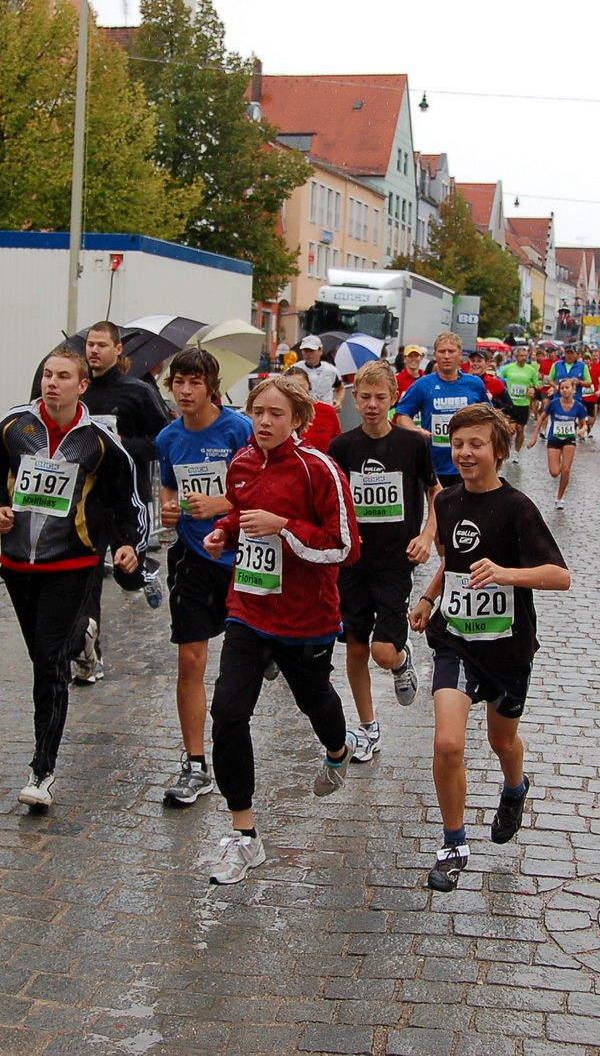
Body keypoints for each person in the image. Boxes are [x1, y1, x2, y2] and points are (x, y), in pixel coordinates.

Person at [200, 375, 360, 884]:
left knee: (315, 700)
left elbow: (344, 548)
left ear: (297, 420)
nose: (264, 422)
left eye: (275, 414)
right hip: (248, 607)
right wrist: (223, 532)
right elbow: (241, 513)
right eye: (257, 412)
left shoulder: (320, 470)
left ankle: (339, 749)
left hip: (306, 617)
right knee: (227, 711)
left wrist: (285, 527)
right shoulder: (243, 462)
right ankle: (244, 835)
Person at [0, 347, 147, 812]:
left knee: (49, 665)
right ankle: (80, 640)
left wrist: (129, 543)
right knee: (42, 658)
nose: (52, 383)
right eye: (47, 375)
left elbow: (127, 498)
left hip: (72, 563)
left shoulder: (97, 440)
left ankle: (42, 769)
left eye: (63, 376)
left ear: (81, 385)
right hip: (17, 564)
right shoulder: (15, 427)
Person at [408, 403, 568, 892]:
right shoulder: (447, 502)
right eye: (458, 444)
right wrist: (430, 597)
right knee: (448, 742)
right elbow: (454, 563)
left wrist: (505, 573)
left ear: (498, 451)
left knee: (502, 741)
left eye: (475, 444)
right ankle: (453, 843)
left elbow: (559, 576)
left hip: (508, 649)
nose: (464, 453)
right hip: (455, 640)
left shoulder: (519, 508)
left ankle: (515, 788)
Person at [154, 349, 254, 806]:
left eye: (195, 382)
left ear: (211, 387)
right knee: (191, 661)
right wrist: (169, 507)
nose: (186, 391)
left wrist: (223, 506)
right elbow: (170, 484)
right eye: (179, 382)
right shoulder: (168, 437)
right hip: (192, 558)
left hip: (242, 558)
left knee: (246, 663)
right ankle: (195, 764)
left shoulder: (239, 429)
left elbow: (262, 490)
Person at [327, 360, 438, 763]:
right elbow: (333, 500)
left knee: (382, 652)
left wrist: (427, 535)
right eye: (365, 397)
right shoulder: (342, 446)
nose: (372, 405)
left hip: (395, 562)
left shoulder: (413, 444)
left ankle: (402, 660)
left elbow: (435, 493)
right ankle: (368, 727)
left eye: (381, 397)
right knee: (355, 649)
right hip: (352, 563)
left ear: (394, 399)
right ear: (355, 399)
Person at [73, 321, 170, 679]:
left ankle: (146, 573)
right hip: (86, 501)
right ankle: (88, 656)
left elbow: (162, 441)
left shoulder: (137, 391)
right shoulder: (77, 391)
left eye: (101, 345)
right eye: (90, 345)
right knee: (89, 577)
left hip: (128, 498)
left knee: (127, 575)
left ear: (118, 351)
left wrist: (121, 445)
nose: (94, 351)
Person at [395, 332, 489, 489]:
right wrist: (415, 430)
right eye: (441, 351)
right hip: (433, 464)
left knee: (462, 510)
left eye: (451, 351)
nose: (446, 356)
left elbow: (489, 418)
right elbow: (402, 416)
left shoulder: (474, 384)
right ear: (435, 355)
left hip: (467, 461)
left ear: (460, 355)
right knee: (438, 510)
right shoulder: (423, 384)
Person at [534, 376, 585, 510]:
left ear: (573, 389)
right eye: (562, 388)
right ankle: (561, 464)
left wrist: (582, 431)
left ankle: (560, 497)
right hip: (554, 439)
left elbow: (583, 424)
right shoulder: (554, 403)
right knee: (555, 472)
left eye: (567, 388)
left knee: (566, 470)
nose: (564, 390)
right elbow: (542, 418)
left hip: (569, 440)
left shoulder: (578, 406)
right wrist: (534, 437)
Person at [285, 363, 342, 452]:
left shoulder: (327, 411)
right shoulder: (279, 415)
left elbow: (340, 447)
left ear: (310, 385)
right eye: (291, 387)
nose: (297, 391)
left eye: (301, 386)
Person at [498, 345, 540, 453]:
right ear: (516, 356)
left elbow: (537, 384)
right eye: (521, 355)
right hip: (510, 403)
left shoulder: (530, 370)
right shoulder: (508, 368)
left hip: (523, 403)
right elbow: (499, 381)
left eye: (525, 356)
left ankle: (516, 452)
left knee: (520, 429)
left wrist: (533, 389)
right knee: (510, 429)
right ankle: (506, 448)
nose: (524, 358)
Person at [295, 335, 344, 409]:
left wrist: (338, 402)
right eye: (305, 350)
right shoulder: (294, 370)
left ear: (320, 351)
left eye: (311, 350)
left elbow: (340, 388)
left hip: (325, 413)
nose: (308, 354)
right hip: (303, 412)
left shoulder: (331, 370)